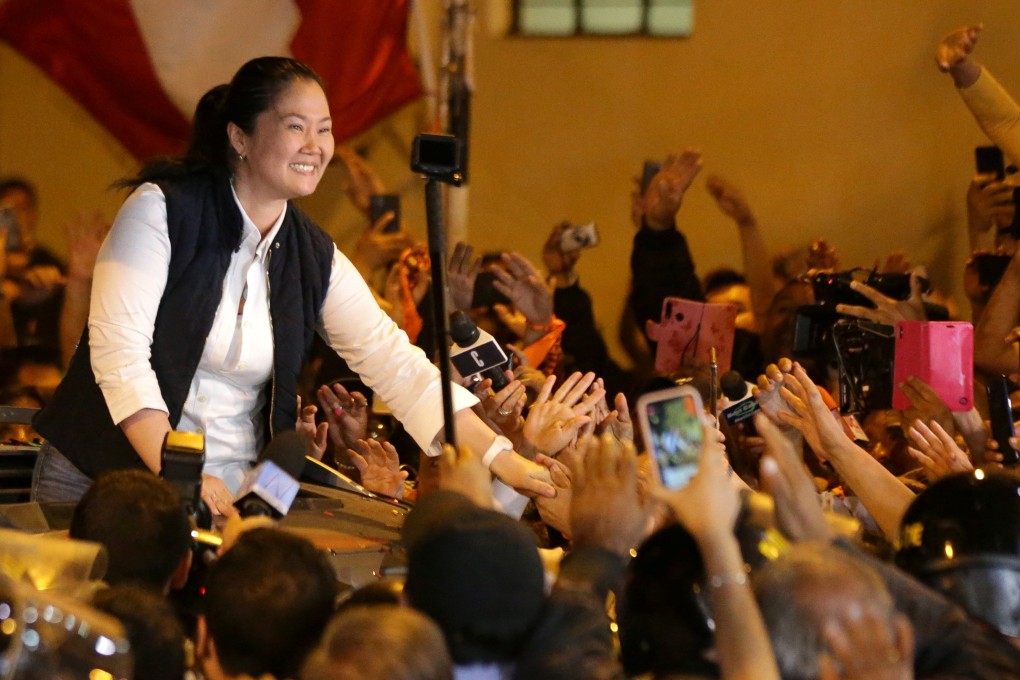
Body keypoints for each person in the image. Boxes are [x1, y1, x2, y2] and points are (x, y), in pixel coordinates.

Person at [30, 56, 552, 512]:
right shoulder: (160, 209)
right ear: (239, 137)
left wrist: (500, 455)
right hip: (102, 479)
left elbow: (396, 364)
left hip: (232, 491)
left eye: (324, 129)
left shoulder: (313, 254)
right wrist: (179, 470)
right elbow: (119, 354)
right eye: (295, 126)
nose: (316, 146)